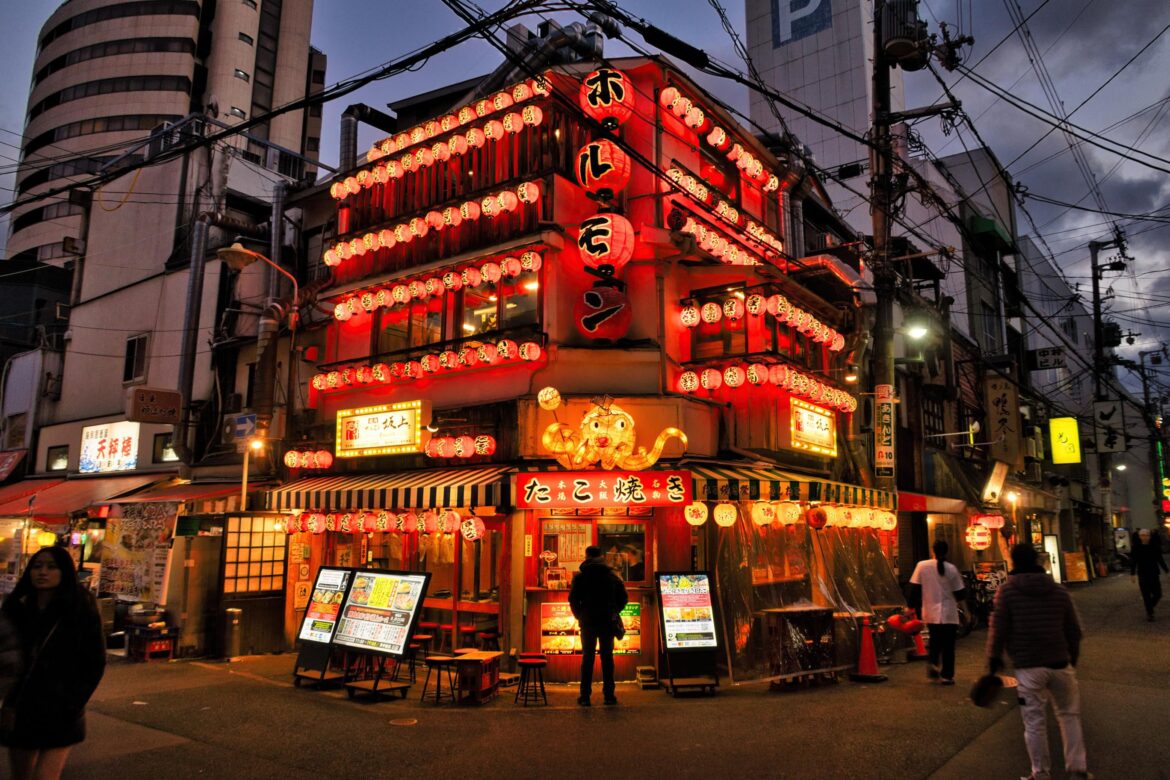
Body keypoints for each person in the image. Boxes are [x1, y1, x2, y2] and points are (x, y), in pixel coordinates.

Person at [1, 547, 106, 780]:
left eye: (51, 567)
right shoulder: (16, 606)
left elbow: (95, 661)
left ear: (64, 571)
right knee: (21, 775)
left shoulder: (80, 606)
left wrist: (74, 702)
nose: (43, 572)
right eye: (37, 566)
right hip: (21, 706)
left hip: (61, 709)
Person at [987, 543, 1088, 780]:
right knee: (1069, 716)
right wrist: (1072, 658)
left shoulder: (1007, 592)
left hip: (1028, 666)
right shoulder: (1059, 591)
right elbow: (1074, 630)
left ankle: (1040, 773)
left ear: (1013, 563)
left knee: (1034, 722)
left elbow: (998, 628)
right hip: (1060, 663)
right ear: (1038, 561)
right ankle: (1077, 769)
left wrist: (994, 658)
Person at [568, 545, 628, 706]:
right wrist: (613, 610)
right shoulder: (611, 576)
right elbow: (623, 598)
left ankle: (585, 696)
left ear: (587, 556)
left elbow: (573, 599)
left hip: (587, 621)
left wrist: (580, 615)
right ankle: (609, 696)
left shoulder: (580, 577)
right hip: (607, 621)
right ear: (601, 556)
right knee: (607, 658)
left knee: (588, 657)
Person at [908, 540, 966, 685]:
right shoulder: (951, 568)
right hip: (949, 613)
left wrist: (910, 607)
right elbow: (960, 593)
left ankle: (933, 663)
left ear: (932, 550)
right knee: (949, 645)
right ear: (946, 551)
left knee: (935, 640)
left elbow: (914, 589)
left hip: (931, 612)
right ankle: (947, 676)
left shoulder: (922, 566)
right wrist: (967, 611)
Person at [1129, 528, 1168, 621]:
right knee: (1146, 594)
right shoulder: (1136, 547)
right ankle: (1150, 613)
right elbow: (1133, 561)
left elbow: (1160, 559)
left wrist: (1167, 571)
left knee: (1158, 594)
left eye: (1147, 535)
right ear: (1139, 537)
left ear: (1150, 537)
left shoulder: (1154, 547)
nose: (1145, 537)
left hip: (1154, 573)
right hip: (1142, 574)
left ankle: (1149, 606)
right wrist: (1132, 574)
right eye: (1142, 535)